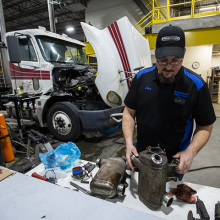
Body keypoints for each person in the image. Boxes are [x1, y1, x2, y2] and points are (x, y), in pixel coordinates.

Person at [122, 24, 216, 175]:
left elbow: (205, 126)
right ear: (155, 53)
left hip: (174, 163)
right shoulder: (141, 78)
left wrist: (190, 152)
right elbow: (128, 112)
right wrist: (128, 143)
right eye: (163, 60)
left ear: (184, 53)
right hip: (141, 157)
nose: (169, 67)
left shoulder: (196, 85)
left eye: (176, 61)